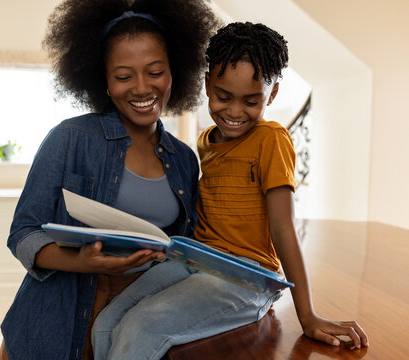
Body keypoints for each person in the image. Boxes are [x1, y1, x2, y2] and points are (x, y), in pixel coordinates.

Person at [92, 22, 369, 360]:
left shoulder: (272, 140)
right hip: (195, 259)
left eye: (251, 101)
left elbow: (284, 229)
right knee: (105, 323)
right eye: (223, 97)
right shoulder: (205, 142)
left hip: (246, 277)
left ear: (273, 94)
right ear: (208, 84)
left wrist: (307, 316)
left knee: (142, 327)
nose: (235, 112)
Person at [0, 0, 220, 359]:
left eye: (155, 71)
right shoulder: (69, 139)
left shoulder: (183, 160)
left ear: (174, 71)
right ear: (103, 80)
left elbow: (185, 251)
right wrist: (81, 262)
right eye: (123, 76)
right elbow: (22, 234)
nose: (141, 87)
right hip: (56, 320)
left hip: (138, 321)